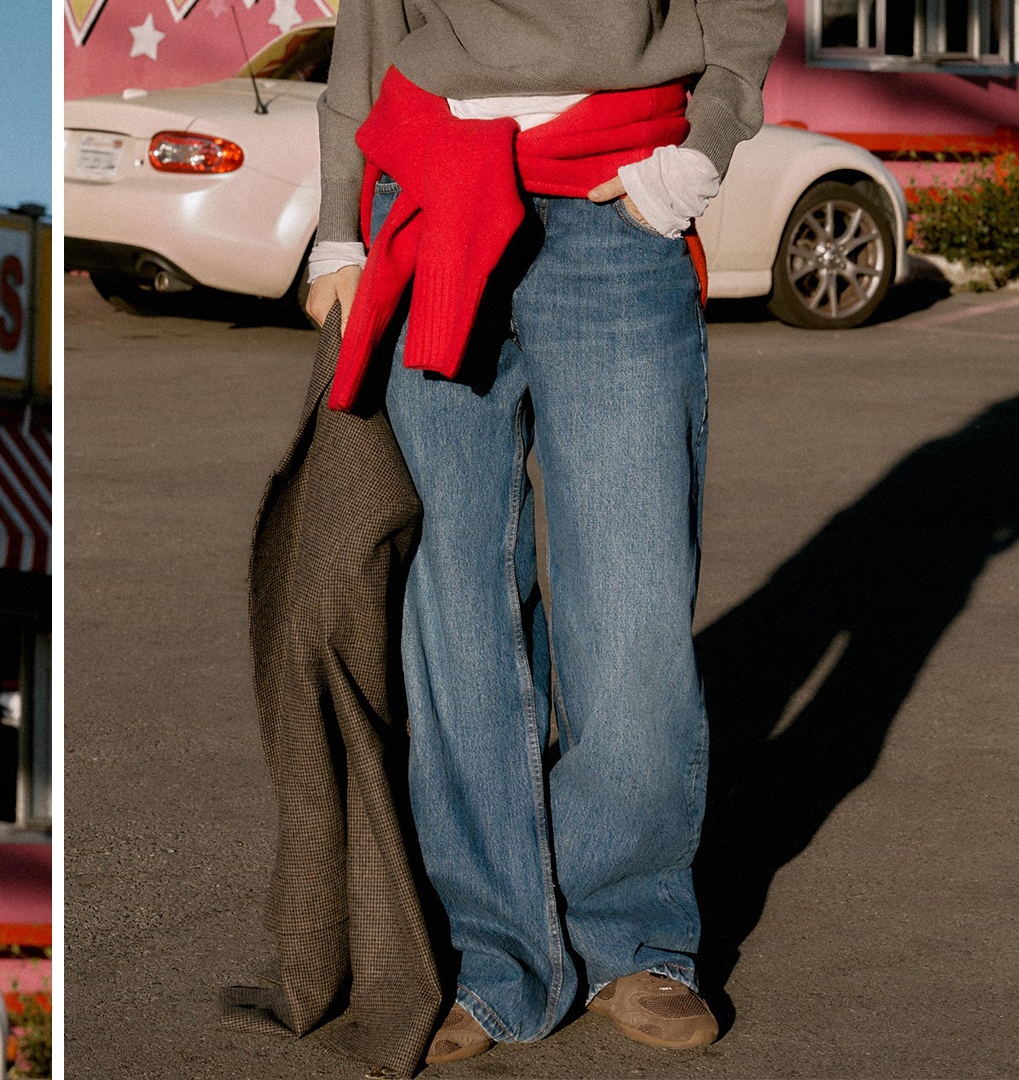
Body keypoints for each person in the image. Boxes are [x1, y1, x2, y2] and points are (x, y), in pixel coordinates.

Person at [300, 0, 787, 1067]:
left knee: (632, 604)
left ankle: (634, 936)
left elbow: (745, 9)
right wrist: (337, 226)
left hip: (615, 206)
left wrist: (693, 160)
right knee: (453, 609)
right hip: (430, 200)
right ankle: (493, 955)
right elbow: (370, 32)